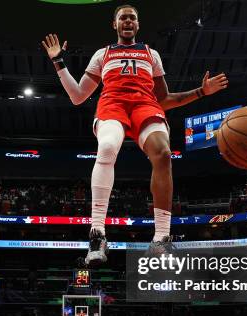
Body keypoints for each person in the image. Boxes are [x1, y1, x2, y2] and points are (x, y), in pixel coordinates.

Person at [42, 4, 227, 266]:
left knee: (163, 154)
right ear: (114, 25)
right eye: (123, 18)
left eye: (132, 18)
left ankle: (161, 238)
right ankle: (97, 235)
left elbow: (164, 99)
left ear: (137, 25)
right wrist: (58, 61)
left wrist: (201, 92)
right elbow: (77, 96)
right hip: (113, 104)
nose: (128, 21)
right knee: (106, 148)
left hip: (145, 106)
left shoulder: (151, 54)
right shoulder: (102, 54)